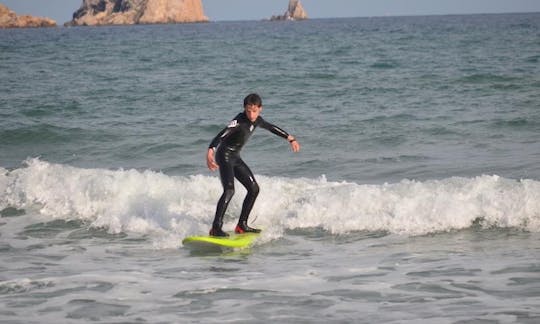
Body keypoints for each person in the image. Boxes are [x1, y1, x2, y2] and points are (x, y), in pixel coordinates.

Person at [206, 93, 300, 237]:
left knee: (254, 188)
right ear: (244, 108)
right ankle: (216, 228)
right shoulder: (238, 121)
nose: (251, 114)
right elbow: (222, 134)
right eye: (248, 111)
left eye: (254, 111)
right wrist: (211, 150)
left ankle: (242, 225)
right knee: (229, 190)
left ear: (260, 109)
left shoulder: (258, 120)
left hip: (235, 157)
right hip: (224, 155)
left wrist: (290, 138)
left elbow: (271, 127)